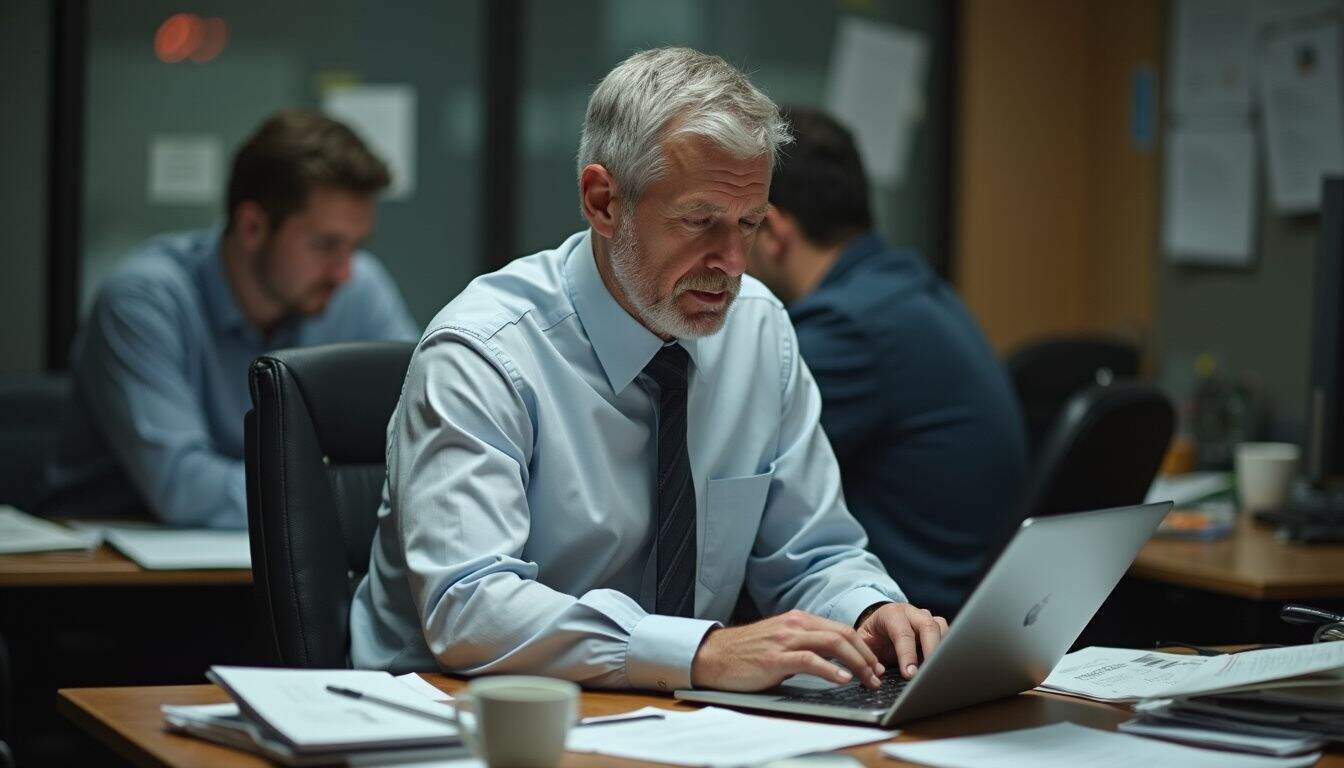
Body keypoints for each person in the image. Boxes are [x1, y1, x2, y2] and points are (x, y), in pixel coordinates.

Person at [351, 48, 946, 694]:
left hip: (666, 724)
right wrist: (700, 654)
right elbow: (470, 605)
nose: (733, 262)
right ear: (604, 202)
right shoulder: (485, 353)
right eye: (700, 222)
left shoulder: (759, 331)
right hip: (448, 722)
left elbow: (813, 552)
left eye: (750, 224)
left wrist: (869, 608)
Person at [41, 109, 419, 529]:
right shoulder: (144, 300)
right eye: (326, 244)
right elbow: (182, 487)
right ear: (252, 226)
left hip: (285, 560)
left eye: (354, 246)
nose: (343, 271)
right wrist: (352, 497)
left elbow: (420, 437)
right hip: (110, 572)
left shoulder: (358, 290)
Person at [745, 106, 1028, 618]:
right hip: (961, 599)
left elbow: (740, 477)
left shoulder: (848, 328)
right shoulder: (910, 291)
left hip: (907, 618)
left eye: (741, 223)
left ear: (773, 230)